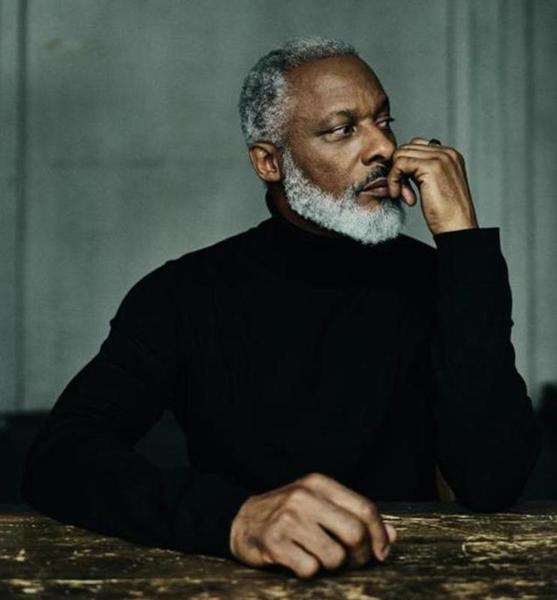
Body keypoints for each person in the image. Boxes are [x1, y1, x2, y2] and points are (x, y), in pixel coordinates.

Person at [21, 36, 541, 580]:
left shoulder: (438, 277)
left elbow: (494, 480)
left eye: (383, 121)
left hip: (407, 575)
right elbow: (60, 458)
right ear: (270, 162)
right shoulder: (183, 293)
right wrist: (233, 519)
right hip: (234, 581)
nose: (383, 148)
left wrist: (463, 241)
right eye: (342, 129)